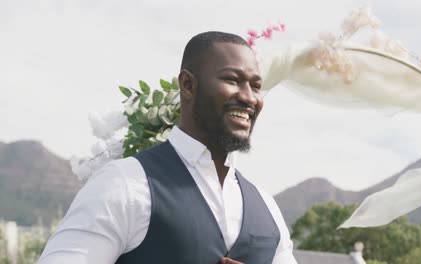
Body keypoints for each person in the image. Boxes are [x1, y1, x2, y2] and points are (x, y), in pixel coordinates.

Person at [38, 31, 297, 264]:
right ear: (187, 84)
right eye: (232, 79)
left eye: (255, 86)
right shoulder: (124, 184)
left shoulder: (267, 206)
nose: (249, 97)